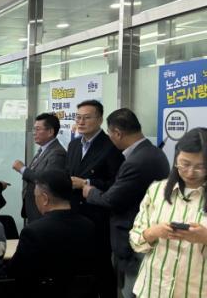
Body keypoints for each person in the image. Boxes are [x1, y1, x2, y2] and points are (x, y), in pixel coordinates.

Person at [81, 108, 169, 298]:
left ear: (117, 133)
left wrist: (90, 191)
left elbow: (112, 199)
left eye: (110, 133)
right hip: (144, 234)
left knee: (130, 291)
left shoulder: (136, 161)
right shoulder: (154, 153)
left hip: (133, 240)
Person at [129, 128, 207, 298]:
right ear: (176, 159)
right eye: (185, 164)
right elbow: (135, 240)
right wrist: (153, 232)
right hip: (153, 289)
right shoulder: (157, 190)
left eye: (200, 166)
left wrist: (204, 237)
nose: (190, 172)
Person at [67, 100, 124, 298]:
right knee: (79, 269)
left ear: (99, 120)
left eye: (87, 118)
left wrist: (86, 182)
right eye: (78, 117)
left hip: (98, 218)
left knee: (100, 268)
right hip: (74, 216)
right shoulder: (74, 144)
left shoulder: (110, 146)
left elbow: (117, 184)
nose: (81, 122)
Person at [8, 170, 96, 296]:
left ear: (45, 198)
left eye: (36, 196)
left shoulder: (33, 231)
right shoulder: (89, 226)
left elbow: (15, 271)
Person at [12, 112, 67, 223]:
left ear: (50, 131)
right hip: (33, 206)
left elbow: (47, 180)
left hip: (43, 208)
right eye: (34, 129)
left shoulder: (57, 152)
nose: (34, 133)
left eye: (37, 129)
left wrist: (23, 169)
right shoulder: (43, 149)